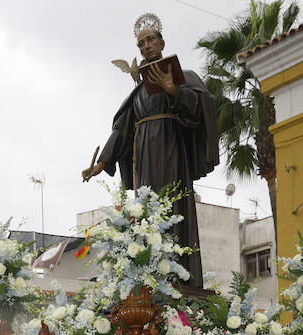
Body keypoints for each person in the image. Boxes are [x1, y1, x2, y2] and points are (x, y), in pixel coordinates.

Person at [81, 12, 218, 287]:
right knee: (147, 211)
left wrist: (174, 91)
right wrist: (101, 163)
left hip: (171, 154)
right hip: (143, 158)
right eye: (141, 43)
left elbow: (200, 110)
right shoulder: (138, 92)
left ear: (162, 42)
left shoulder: (183, 77)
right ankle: (149, 273)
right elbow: (121, 131)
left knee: (172, 207)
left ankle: (178, 276)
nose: (146, 46)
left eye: (151, 39)